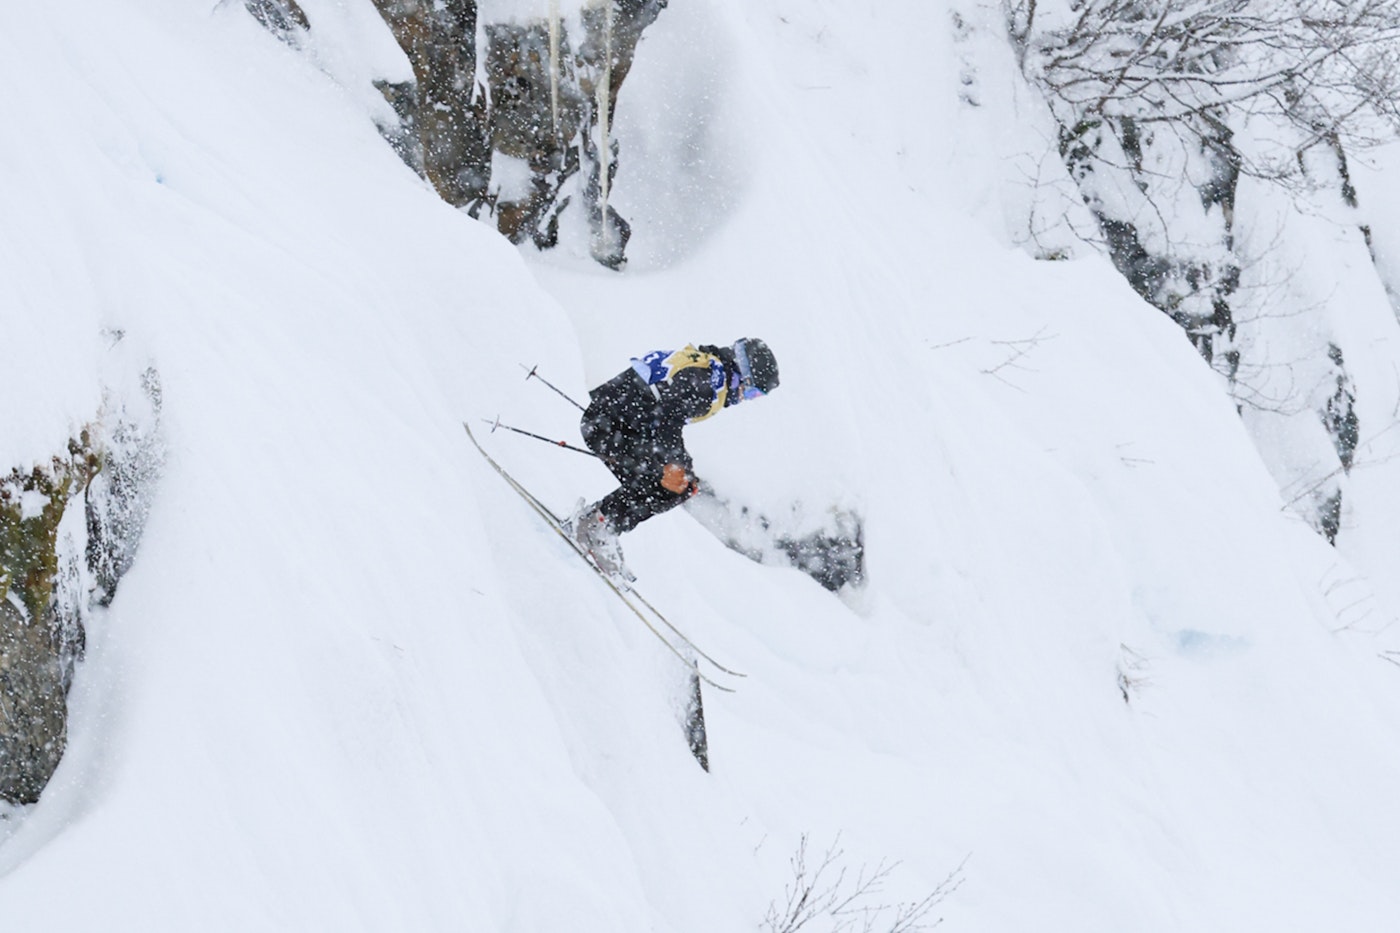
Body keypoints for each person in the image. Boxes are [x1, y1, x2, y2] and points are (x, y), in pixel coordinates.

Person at [570, 338, 780, 574]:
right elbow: (667, 419)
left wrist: (678, 465)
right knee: (672, 487)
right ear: (742, 374)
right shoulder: (706, 382)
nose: (744, 399)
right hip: (609, 429)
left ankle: (598, 523)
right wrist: (677, 465)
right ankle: (596, 526)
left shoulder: (708, 368)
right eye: (751, 392)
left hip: (608, 421)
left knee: (677, 483)